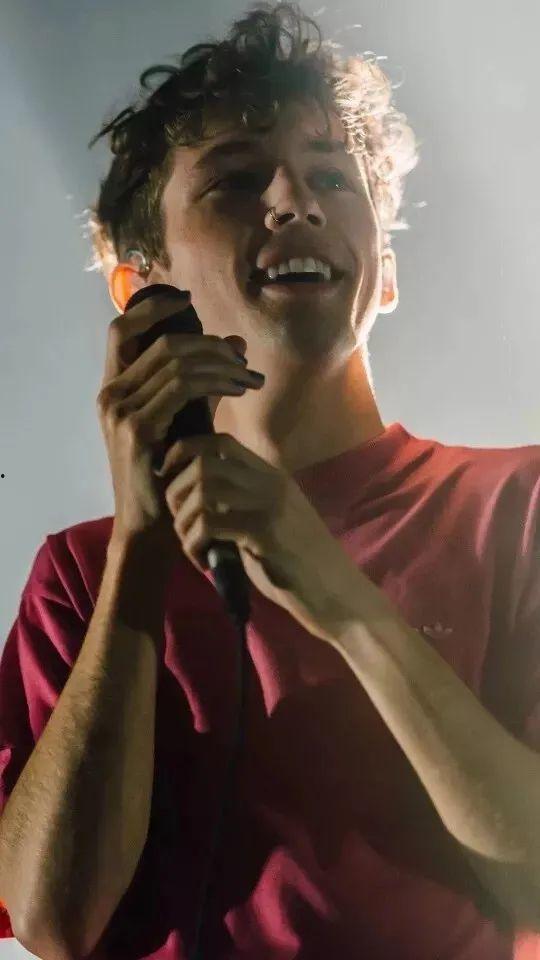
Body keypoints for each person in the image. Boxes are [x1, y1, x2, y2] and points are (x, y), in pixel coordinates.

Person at [1, 3, 540, 958]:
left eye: (333, 176)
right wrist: (139, 554)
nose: (296, 200)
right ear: (143, 289)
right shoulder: (80, 577)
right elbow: (51, 923)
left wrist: (337, 596)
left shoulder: (516, 509)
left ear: (385, 273)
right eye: (238, 180)